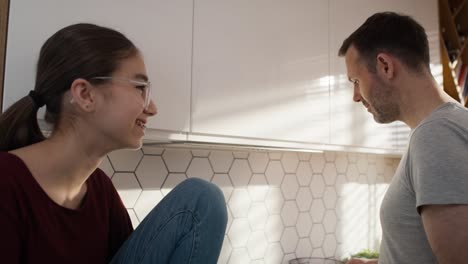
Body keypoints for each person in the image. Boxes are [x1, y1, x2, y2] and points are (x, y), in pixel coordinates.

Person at [0, 23, 227, 264]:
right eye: (140, 88)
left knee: (203, 199)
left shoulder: (101, 190)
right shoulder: (6, 182)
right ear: (86, 95)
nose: (152, 108)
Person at [339, 12, 468, 264]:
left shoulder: (436, 134)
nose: (355, 96)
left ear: (385, 66)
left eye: (356, 80)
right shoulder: (443, 127)